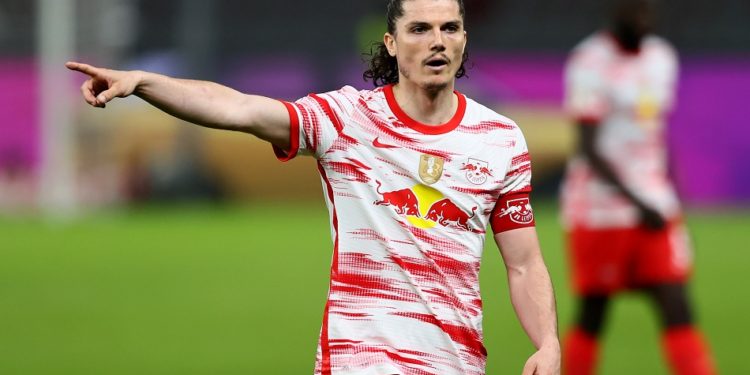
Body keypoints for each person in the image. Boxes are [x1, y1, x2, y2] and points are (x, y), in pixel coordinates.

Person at [68, 0, 560, 374]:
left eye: (449, 28)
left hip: (456, 360)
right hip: (361, 357)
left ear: (464, 39)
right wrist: (144, 82)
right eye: (420, 29)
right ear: (391, 43)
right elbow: (240, 109)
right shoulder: (347, 120)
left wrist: (548, 342)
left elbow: (523, 262)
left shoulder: (500, 139)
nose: (437, 41)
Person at [560, 0, 716, 374]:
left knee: (676, 304)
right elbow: (588, 148)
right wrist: (637, 202)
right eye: (634, 11)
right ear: (615, 11)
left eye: (648, 10)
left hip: (654, 205)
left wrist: (668, 195)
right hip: (599, 210)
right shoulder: (589, 61)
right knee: (594, 312)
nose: (642, 18)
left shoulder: (662, 58)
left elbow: (655, 135)